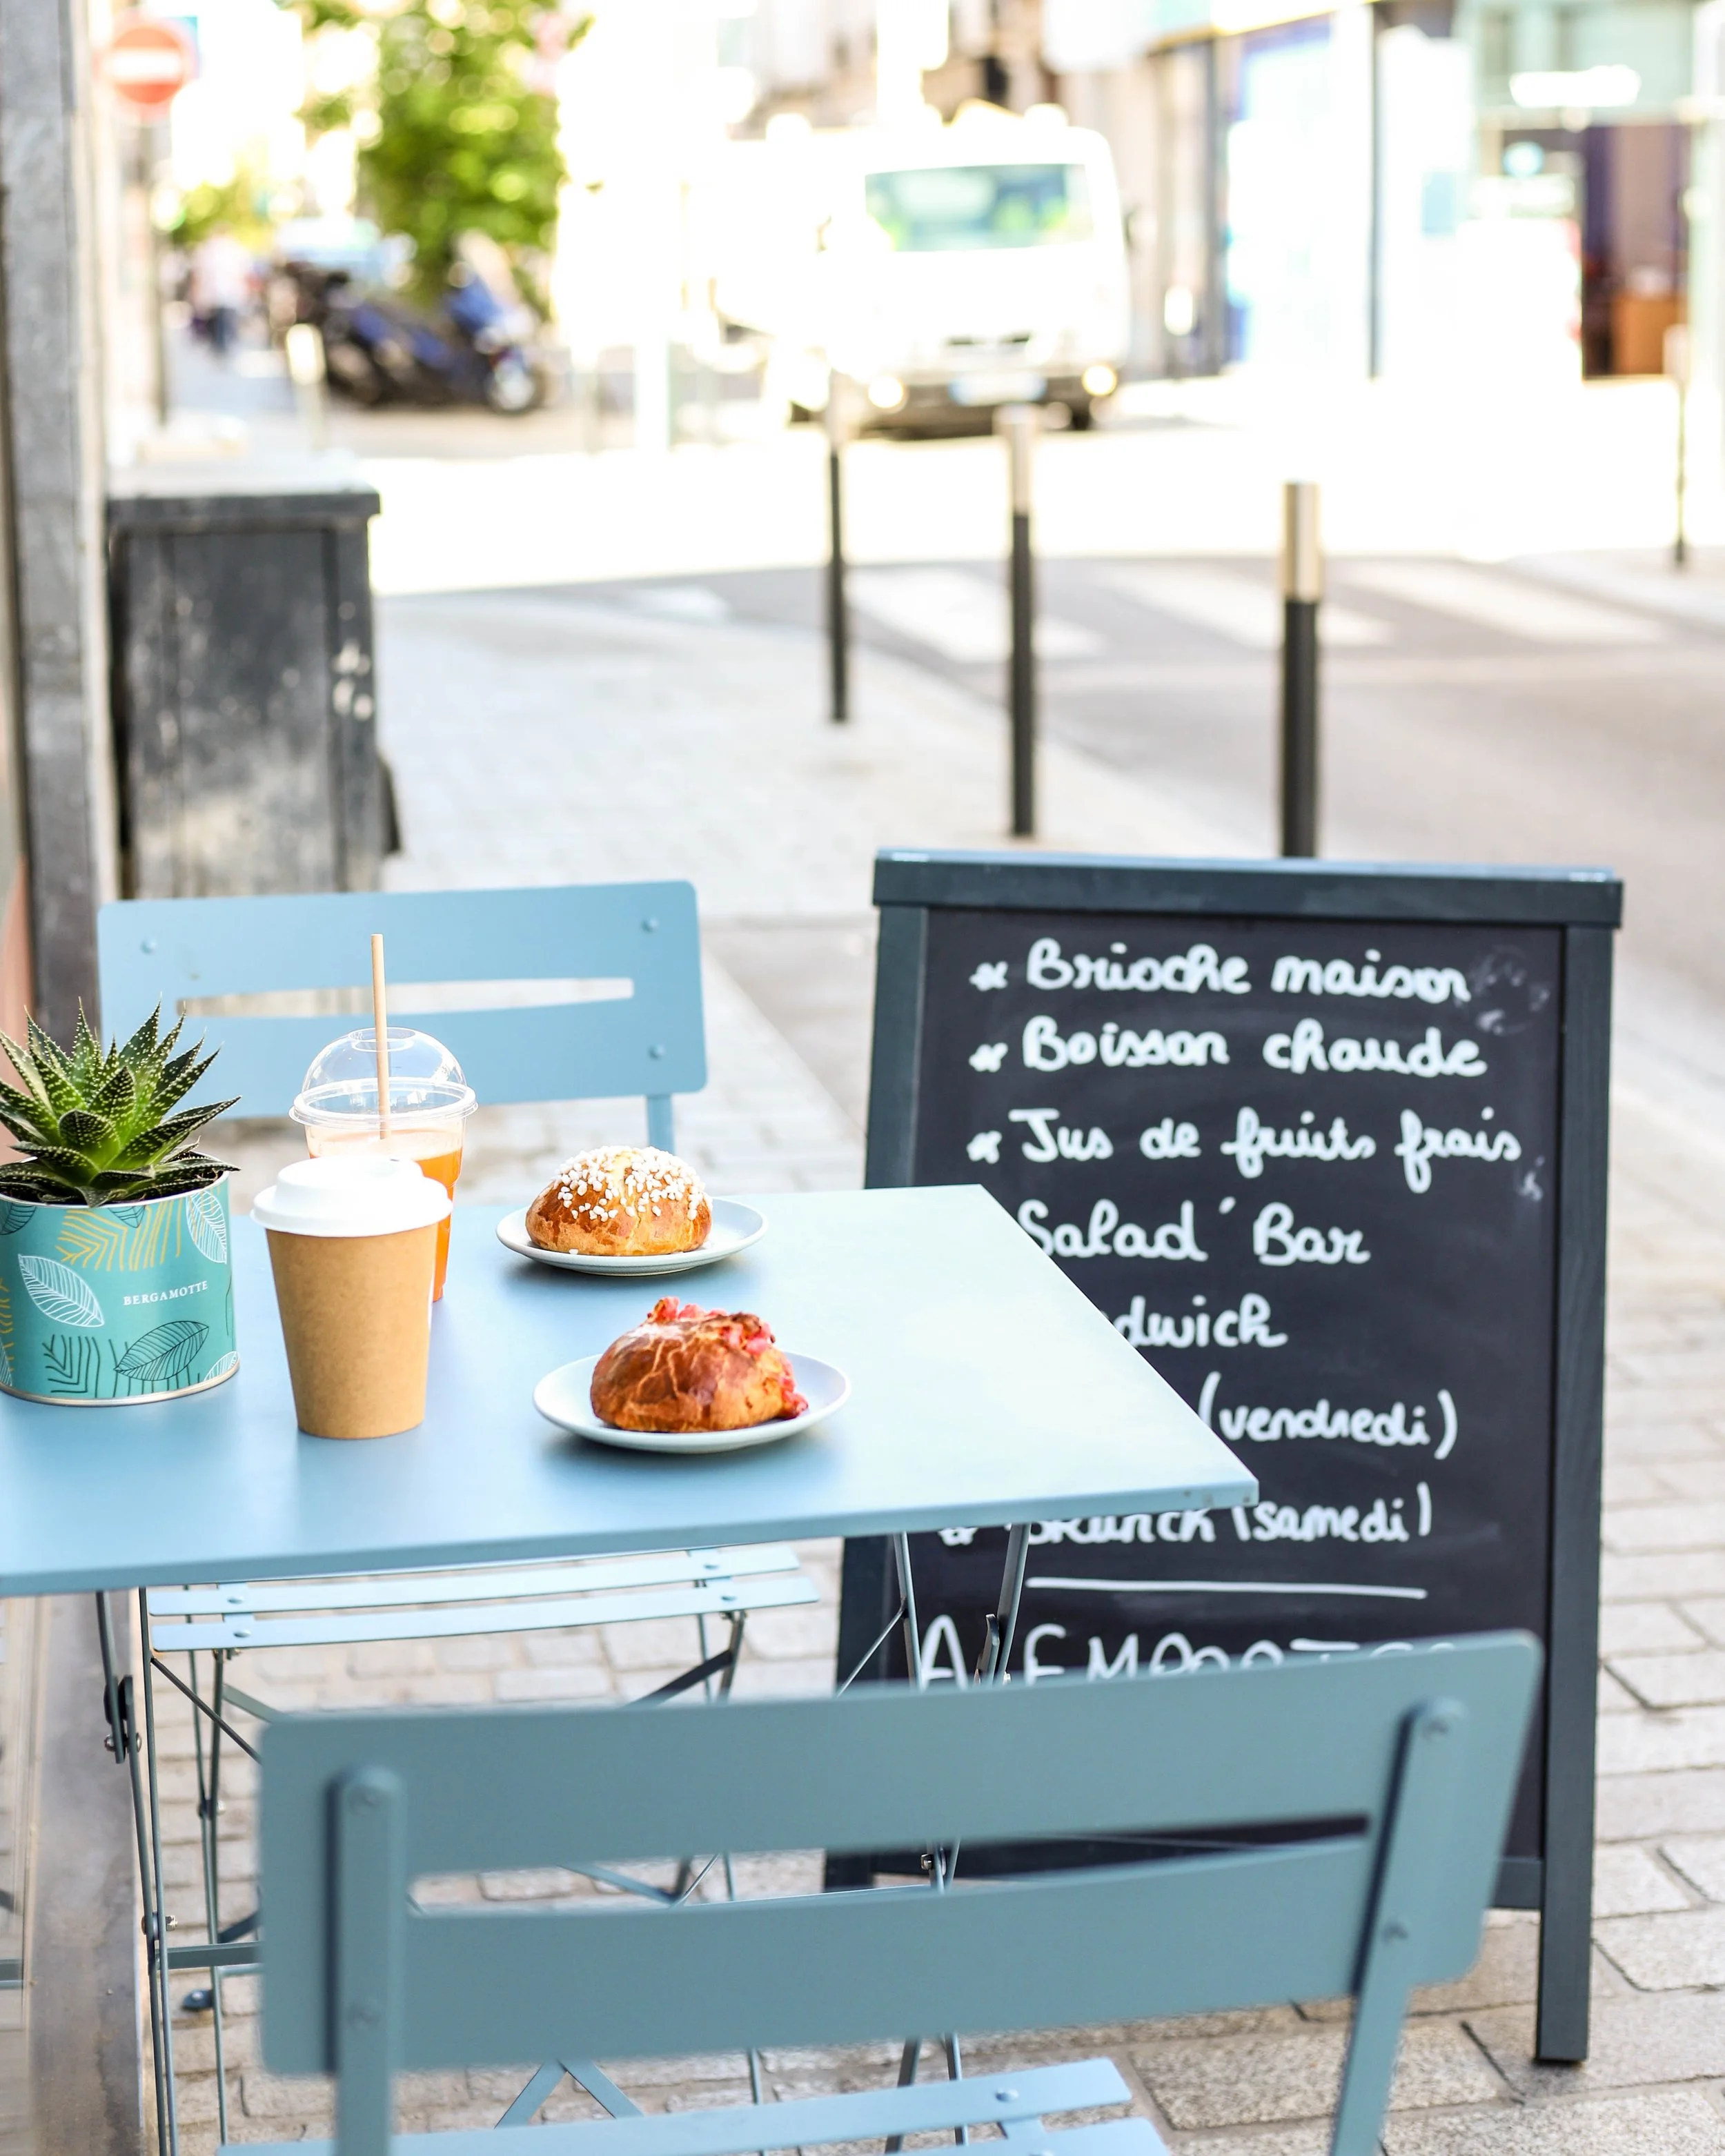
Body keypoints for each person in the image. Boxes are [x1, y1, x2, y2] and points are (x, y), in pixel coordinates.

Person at [189, 226, 255, 357]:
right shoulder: (230, 250)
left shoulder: (211, 250)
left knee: (223, 320)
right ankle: (222, 346)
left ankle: (221, 346)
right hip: (222, 293)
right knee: (223, 320)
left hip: (224, 292)